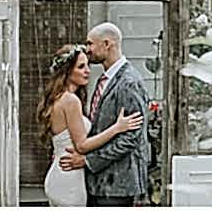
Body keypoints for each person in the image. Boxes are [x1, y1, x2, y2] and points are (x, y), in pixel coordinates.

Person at [37, 44, 144, 207]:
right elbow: (81, 146)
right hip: (69, 179)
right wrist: (117, 128)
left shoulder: (60, 98)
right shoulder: (70, 101)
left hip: (61, 174)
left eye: (87, 65)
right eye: (81, 66)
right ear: (67, 71)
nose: (87, 70)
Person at [60, 23, 150, 207]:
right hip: (99, 184)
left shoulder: (129, 82)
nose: (87, 49)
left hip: (117, 185)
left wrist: (88, 161)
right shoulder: (104, 79)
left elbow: (130, 138)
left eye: (90, 43)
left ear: (106, 44)